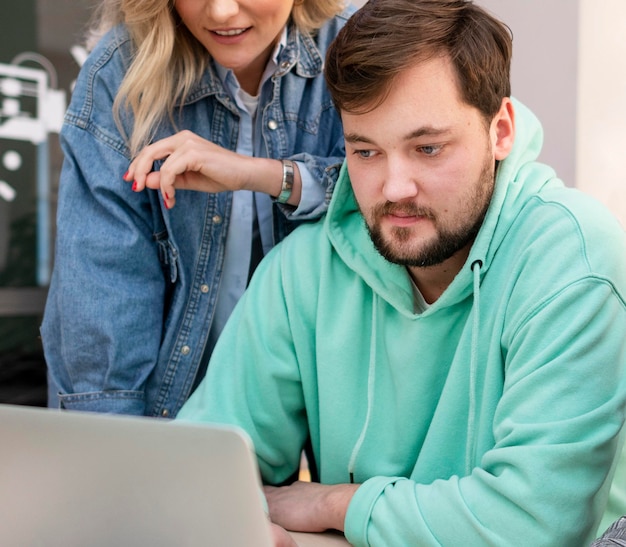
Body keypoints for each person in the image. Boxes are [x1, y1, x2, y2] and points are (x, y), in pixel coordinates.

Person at [175, 0, 626, 545]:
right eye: (366, 152)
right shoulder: (303, 272)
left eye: (428, 148)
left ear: (500, 130)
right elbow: (202, 477)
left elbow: (533, 525)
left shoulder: (573, 259)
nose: (394, 189)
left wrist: (336, 503)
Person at [40, 0, 356, 416]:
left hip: (324, 414)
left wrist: (261, 175)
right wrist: (115, 459)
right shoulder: (120, 73)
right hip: (165, 419)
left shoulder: (356, 49)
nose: (222, 11)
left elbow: (394, 207)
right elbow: (102, 302)